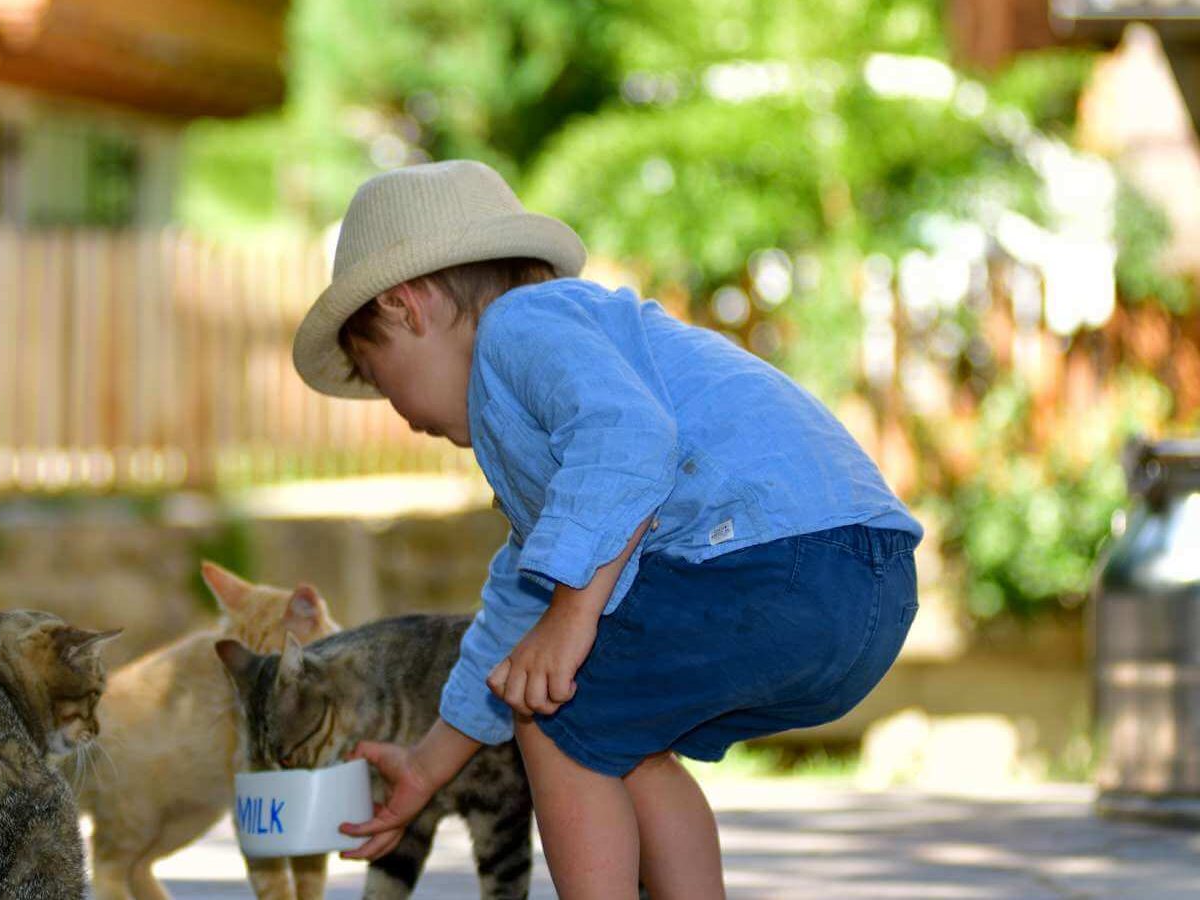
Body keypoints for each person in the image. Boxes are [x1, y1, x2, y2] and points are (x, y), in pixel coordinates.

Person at [296, 160, 922, 898]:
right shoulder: (559, 414)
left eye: (376, 374)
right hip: (860, 581)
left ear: (408, 307)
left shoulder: (521, 326)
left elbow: (628, 441)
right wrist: (429, 764)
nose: (394, 410)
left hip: (771, 556)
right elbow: (521, 604)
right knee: (625, 740)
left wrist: (574, 613)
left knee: (554, 709)